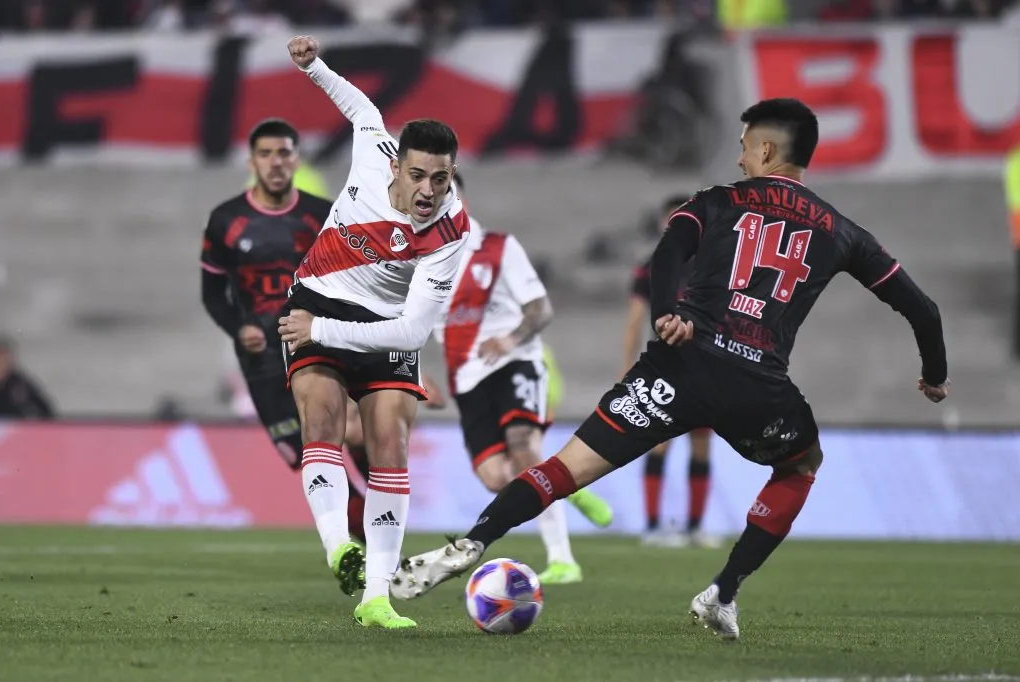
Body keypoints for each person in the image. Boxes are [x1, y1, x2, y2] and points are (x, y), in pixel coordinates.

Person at [390, 98, 949, 642]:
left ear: (768, 147)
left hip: (676, 368)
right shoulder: (842, 231)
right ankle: (723, 592)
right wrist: (934, 374)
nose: (739, 160)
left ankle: (473, 542)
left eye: (745, 147)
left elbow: (664, 256)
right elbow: (923, 308)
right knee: (801, 464)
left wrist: (665, 315)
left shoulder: (716, 200)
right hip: (757, 386)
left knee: (565, 468)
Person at [277, 35, 471, 630]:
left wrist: (326, 332)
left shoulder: (451, 232)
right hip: (317, 297)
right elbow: (362, 109)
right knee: (322, 418)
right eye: (417, 175)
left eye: (440, 180)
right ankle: (340, 546)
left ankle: (377, 597)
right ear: (395, 163)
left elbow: (413, 330)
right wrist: (315, 67)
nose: (427, 192)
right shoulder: (370, 149)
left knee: (390, 440)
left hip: (381, 329)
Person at [427, 174, 614, 585]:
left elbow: (541, 309)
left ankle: (563, 559)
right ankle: (567, 484)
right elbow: (405, 328)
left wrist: (510, 338)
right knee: (496, 477)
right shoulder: (418, 263)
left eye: (449, 194)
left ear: (463, 200)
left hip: (517, 362)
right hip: (468, 379)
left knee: (523, 448)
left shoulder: (497, 249)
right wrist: (418, 376)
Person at [200, 117, 332, 471]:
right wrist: (239, 328)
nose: (275, 162)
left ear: (296, 159)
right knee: (302, 457)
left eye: (283, 154)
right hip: (262, 346)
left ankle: (380, 519)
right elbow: (214, 292)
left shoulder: (322, 213)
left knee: (340, 436)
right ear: (252, 161)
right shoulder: (228, 219)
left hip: (315, 340)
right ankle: (357, 522)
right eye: (265, 154)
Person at [622, 195, 718, 548]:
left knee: (701, 443)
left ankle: (693, 527)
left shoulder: (711, 263)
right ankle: (652, 526)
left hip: (706, 367)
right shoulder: (652, 265)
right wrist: (627, 368)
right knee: (661, 442)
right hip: (667, 367)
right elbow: (634, 321)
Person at [0, 336, 55, 419]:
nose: (1, 361)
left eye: (5, 357)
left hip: (15, 428)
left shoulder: (19, 383)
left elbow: (45, 410)